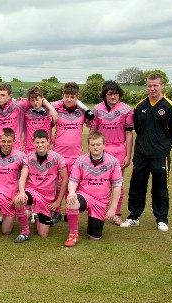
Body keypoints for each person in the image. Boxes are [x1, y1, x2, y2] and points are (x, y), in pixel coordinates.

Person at [121, 73, 172, 231]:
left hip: (160, 155)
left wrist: (163, 145)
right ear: (146, 87)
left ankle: (161, 219)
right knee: (137, 186)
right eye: (149, 85)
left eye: (155, 85)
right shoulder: (140, 106)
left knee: (160, 188)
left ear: (162, 86)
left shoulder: (171, 107)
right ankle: (134, 216)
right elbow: (138, 129)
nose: (152, 88)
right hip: (141, 154)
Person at [64, 131, 123, 247]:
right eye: (92, 145)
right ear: (88, 146)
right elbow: (73, 181)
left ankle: (93, 222)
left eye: (98, 144)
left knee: (94, 237)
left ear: (104, 145)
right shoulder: (81, 160)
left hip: (101, 202)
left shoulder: (113, 162)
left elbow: (117, 187)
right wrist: (71, 192)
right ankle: (73, 234)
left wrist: (113, 209)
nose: (95, 147)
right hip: (85, 196)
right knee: (72, 201)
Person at [88, 81, 134, 225]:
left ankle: (116, 213)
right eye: (109, 93)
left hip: (119, 150)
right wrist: (90, 149)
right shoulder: (97, 109)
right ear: (104, 95)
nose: (113, 96)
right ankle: (99, 210)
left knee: (117, 183)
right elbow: (93, 132)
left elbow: (129, 134)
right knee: (100, 182)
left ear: (119, 94)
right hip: (101, 150)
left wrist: (128, 154)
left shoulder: (127, 109)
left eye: (115, 93)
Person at [49, 82, 94, 224]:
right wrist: (52, 109)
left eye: (72, 97)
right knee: (57, 184)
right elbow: (42, 102)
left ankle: (70, 210)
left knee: (72, 185)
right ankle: (56, 212)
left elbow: (93, 121)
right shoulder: (57, 109)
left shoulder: (82, 112)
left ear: (77, 97)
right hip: (59, 154)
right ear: (62, 96)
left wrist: (84, 107)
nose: (69, 99)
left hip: (76, 156)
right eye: (66, 96)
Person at [15, 129, 68, 240]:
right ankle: (25, 231)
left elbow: (65, 179)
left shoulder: (57, 158)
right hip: (32, 191)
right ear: (33, 142)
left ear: (48, 142)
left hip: (47, 198)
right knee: (19, 200)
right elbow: (23, 176)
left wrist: (58, 201)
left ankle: (38, 215)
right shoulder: (28, 157)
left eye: (43, 142)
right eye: (37, 142)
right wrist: (21, 192)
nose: (40, 145)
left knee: (43, 234)